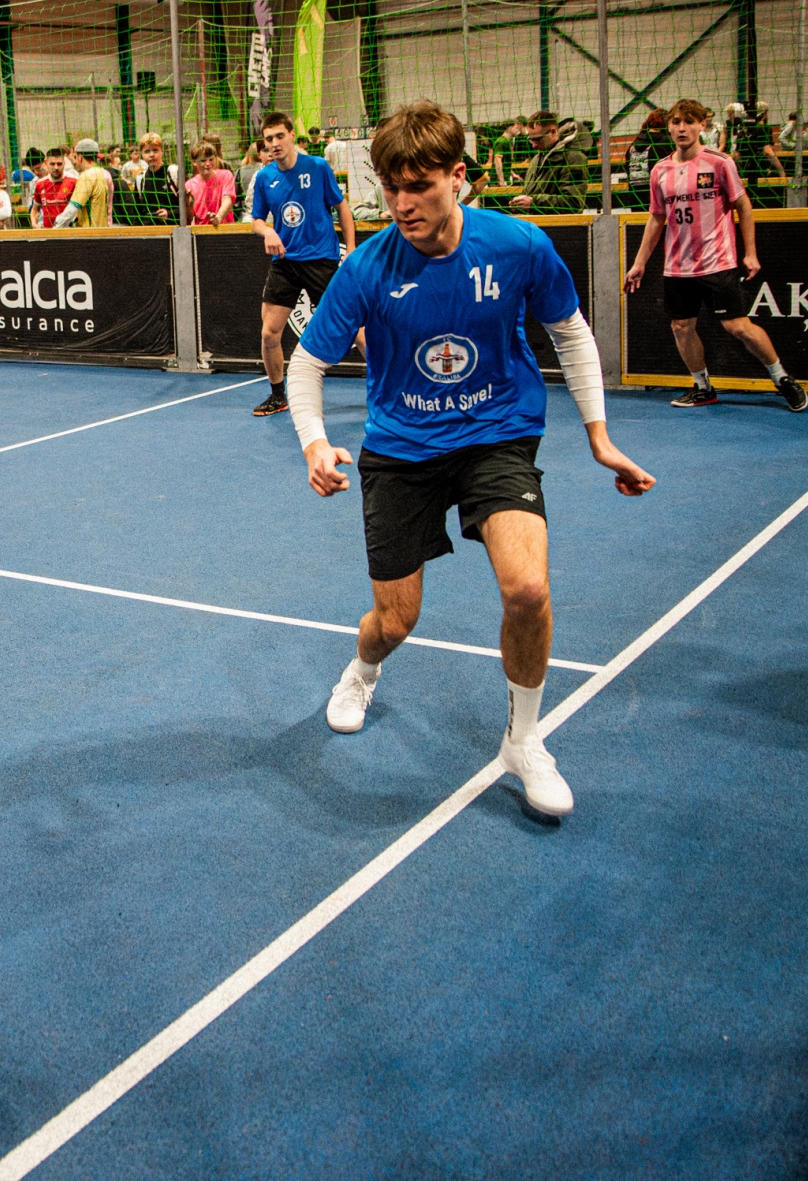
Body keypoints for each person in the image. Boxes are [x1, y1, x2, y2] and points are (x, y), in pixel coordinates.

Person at [284, 100, 653, 814]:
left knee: (527, 589)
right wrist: (314, 442)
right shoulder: (366, 268)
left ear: (459, 177)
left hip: (497, 433)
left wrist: (599, 436)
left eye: (419, 186)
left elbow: (570, 332)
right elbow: (307, 365)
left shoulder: (517, 245)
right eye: (391, 187)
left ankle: (524, 738)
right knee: (395, 622)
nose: (402, 204)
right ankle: (362, 670)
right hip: (401, 449)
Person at [623, 99, 808, 412]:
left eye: (689, 122)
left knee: (737, 326)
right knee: (681, 327)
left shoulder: (720, 162)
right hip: (677, 267)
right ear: (669, 127)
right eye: (676, 122)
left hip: (717, 262)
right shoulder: (660, 170)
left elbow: (743, 206)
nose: (682, 128)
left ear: (702, 125)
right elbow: (656, 218)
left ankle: (782, 379)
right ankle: (703, 387)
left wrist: (750, 253)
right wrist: (639, 263)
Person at [248, 110, 356, 417]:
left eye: (280, 136)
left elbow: (342, 208)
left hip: (321, 260)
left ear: (292, 135)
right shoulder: (265, 177)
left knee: (355, 327)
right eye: (269, 139)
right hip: (285, 262)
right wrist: (268, 231)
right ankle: (278, 396)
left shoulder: (317, 166)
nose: (274, 143)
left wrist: (351, 248)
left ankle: (384, 391)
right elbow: (256, 220)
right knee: (269, 333)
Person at [509, 112, 591, 214]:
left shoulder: (574, 159)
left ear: (553, 132)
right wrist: (520, 203)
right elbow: (531, 195)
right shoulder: (536, 159)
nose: (533, 145)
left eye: (537, 139)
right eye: (531, 140)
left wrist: (534, 202)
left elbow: (573, 203)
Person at [53, 138, 114, 229]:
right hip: (103, 229)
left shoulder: (86, 176)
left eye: (75, 157)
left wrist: (56, 228)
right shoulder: (104, 173)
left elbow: (72, 208)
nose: (74, 162)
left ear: (80, 157)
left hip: (89, 232)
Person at [186, 144, 236, 225]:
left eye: (211, 159)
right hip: (202, 230)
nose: (208, 163)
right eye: (203, 160)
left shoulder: (226, 175)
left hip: (225, 228)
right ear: (194, 162)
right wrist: (188, 205)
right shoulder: (190, 185)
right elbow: (189, 218)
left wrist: (219, 217)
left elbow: (227, 200)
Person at [32, 148, 75, 228]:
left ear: (64, 163)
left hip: (68, 232)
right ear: (46, 163)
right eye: (52, 164)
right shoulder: (40, 184)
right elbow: (35, 209)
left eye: (59, 164)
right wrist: (34, 224)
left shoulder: (73, 182)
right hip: (47, 232)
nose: (56, 167)